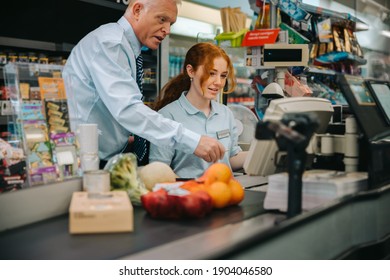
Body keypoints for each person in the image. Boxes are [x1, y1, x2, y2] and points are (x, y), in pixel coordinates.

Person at [62, 0, 225, 167]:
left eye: (171, 23)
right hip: (84, 161)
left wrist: (125, 137)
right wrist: (193, 141)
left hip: (101, 157)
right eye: (162, 19)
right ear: (138, 10)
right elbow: (128, 109)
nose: (167, 30)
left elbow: (112, 105)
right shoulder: (112, 44)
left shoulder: (125, 47)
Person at [149, 42, 248, 178]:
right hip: (189, 196)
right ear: (191, 71)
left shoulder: (225, 113)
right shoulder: (167, 116)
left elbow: (230, 158)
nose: (218, 82)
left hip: (225, 194)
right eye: (211, 73)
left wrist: (262, 154)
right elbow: (159, 170)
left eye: (223, 75)